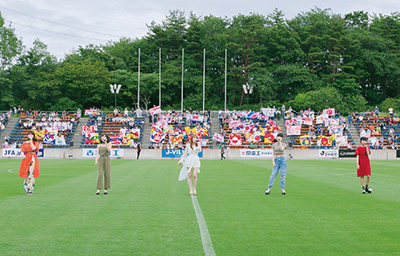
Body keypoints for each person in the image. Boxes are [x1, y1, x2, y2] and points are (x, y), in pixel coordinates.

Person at [19, 131, 40, 195]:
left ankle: (30, 188)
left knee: (31, 173)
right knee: (25, 173)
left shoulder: (35, 142)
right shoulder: (24, 143)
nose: (30, 136)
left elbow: (34, 148)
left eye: (31, 135)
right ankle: (25, 188)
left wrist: (31, 141)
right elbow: (22, 150)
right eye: (29, 135)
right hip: (26, 158)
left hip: (32, 158)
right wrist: (23, 155)